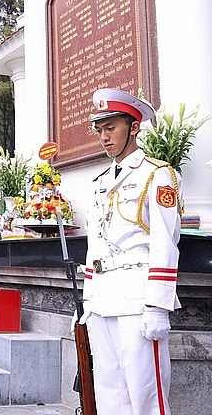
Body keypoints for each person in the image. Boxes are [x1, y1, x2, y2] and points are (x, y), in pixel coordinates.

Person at [82, 88, 181, 414]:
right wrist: (87, 302)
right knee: (110, 394)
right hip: (103, 301)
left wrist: (157, 306)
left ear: (133, 126)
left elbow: (165, 244)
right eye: (99, 130)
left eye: (111, 127)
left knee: (146, 397)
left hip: (138, 301)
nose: (104, 137)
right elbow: (94, 245)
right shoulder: (99, 181)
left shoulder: (156, 174)